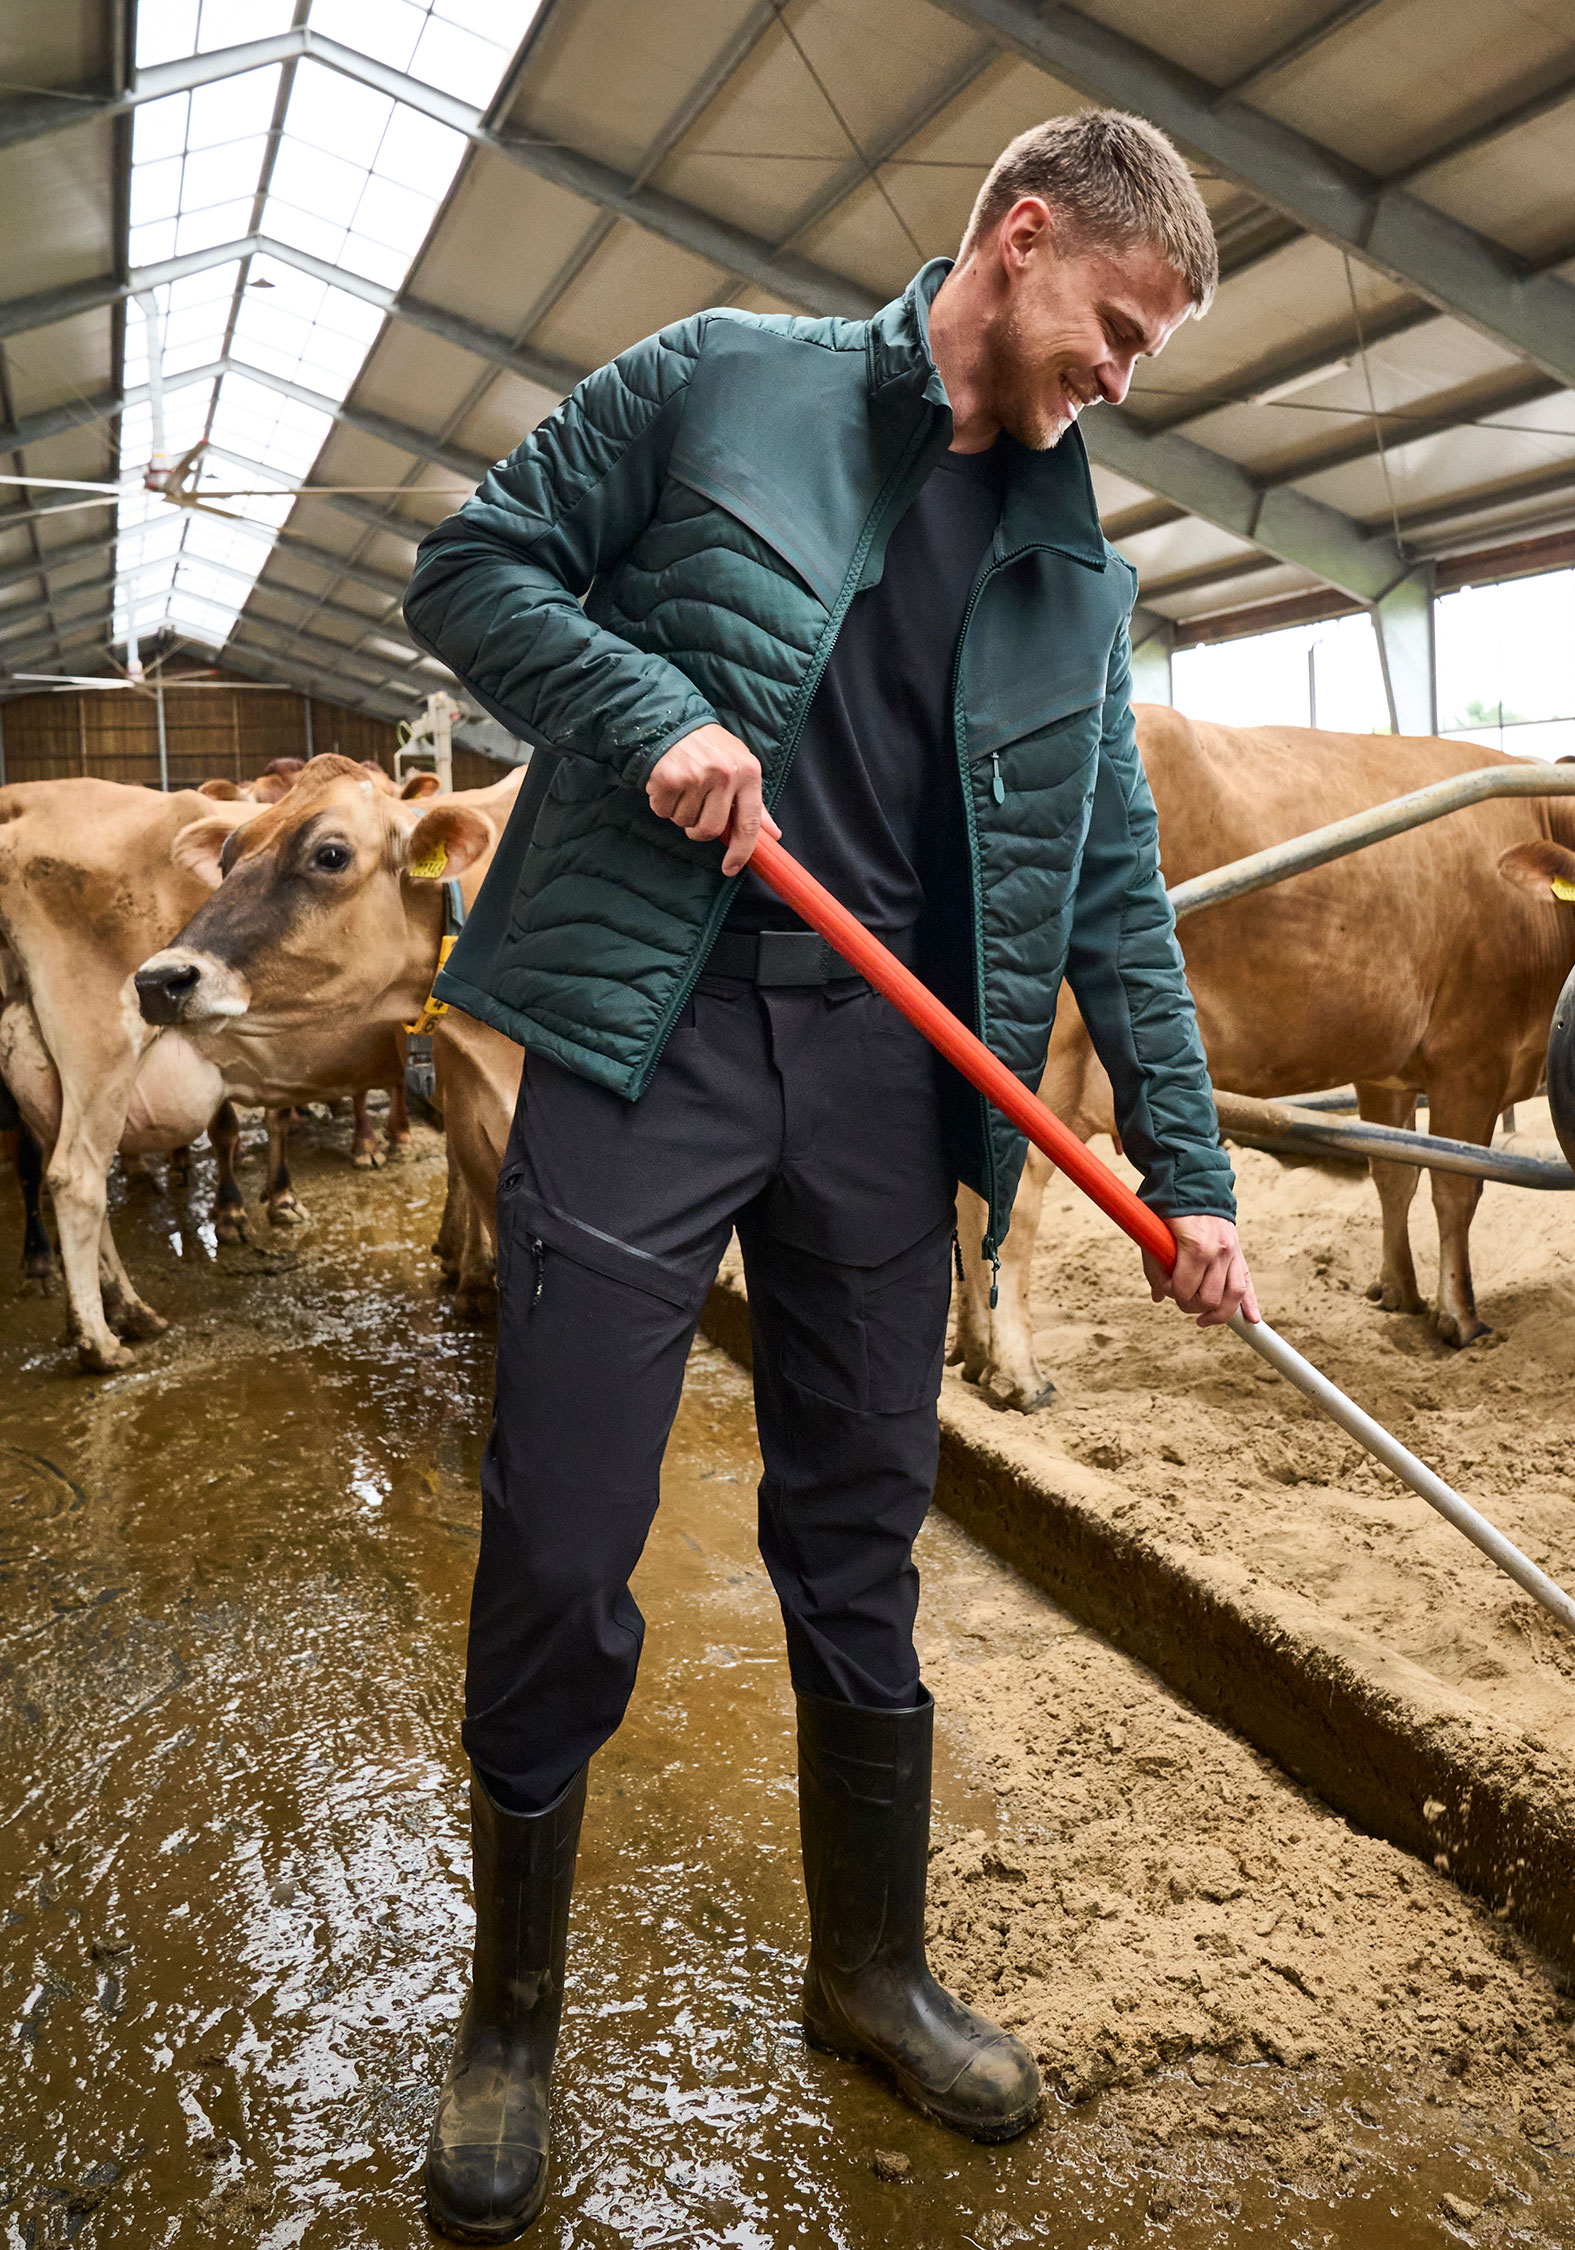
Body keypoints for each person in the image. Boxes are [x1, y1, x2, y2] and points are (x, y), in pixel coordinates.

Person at [403, 108, 1257, 2244]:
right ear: (1023, 234)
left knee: (860, 1540)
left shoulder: (1080, 573)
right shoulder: (722, 381)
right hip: (652, 1026)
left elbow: (1115, 890)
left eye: (1148, 360)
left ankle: (867, 1966)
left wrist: (1195, 1173)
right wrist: (646, 711)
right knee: (569, 1531)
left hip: (895, 1077)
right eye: (1117, 331)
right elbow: (470, 569)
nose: (1121, 383)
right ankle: (512, 2015)